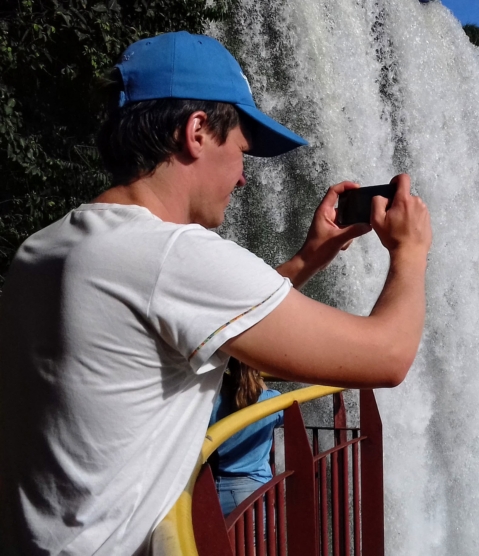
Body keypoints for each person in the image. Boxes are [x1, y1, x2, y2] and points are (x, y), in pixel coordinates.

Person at [0, 31, 431, 555]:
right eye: (241, 151)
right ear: (197, 131)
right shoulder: (175, 255)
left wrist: (309, 256)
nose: (244, 178)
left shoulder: (43, 249)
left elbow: (187, 315)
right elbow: (387, 356)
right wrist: (410, 251)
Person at [210, 359, 283, 517]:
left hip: (211, 488)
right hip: (252, 491)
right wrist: (260, 382)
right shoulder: (273, 400)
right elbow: (279, 419)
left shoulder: (212, 401)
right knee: (255, 542)